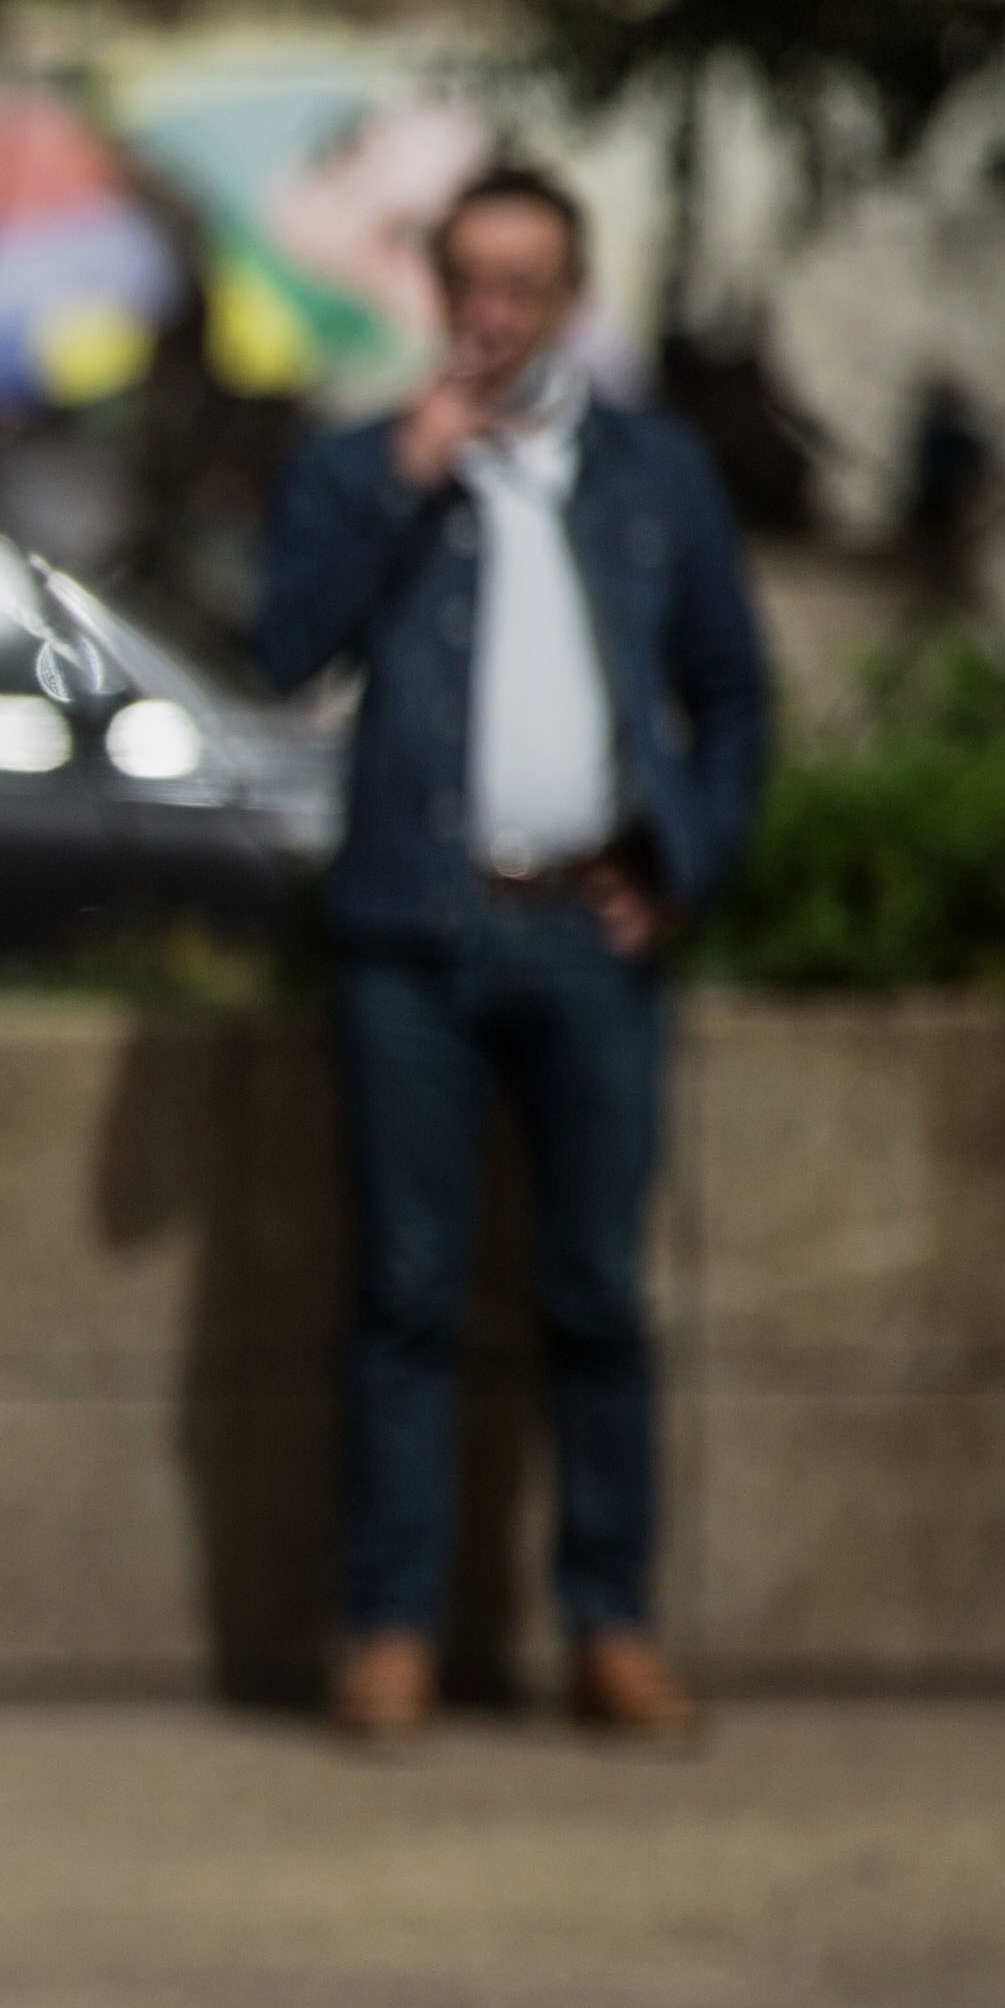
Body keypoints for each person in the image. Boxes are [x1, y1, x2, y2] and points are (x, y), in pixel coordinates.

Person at [252, 163, 770, 1747]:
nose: (490, 315)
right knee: (407, 1294)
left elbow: (735, 696)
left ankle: (612, 1625)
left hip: (587, 937)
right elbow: (282, 649)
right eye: (467, 282)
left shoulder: (654, 474)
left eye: (521, 286)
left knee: (598, 1293)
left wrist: (685, 870)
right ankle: (392, 1630)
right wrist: (402, 480)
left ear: (570, 300)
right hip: (413, 932)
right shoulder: (362, 465)